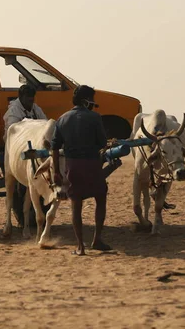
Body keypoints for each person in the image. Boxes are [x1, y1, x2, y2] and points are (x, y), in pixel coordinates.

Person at [51, 85, 110, 255]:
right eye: (92, 100)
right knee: (101, 198)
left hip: (73, 167)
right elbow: (102, 143)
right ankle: (97, 239)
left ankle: (80, 246)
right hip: (92, 164)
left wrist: (56, 171)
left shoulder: (62, 119)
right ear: (87, 101)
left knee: (76, 205)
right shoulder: (95, 117)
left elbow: (55, 147)